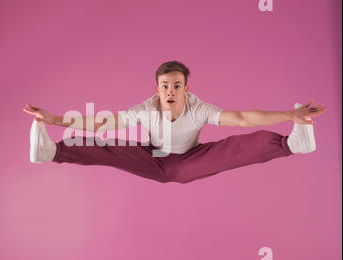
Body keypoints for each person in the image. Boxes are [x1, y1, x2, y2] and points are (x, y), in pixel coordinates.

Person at [22, 61, 327, 183]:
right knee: (108, 146)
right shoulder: (146, 107)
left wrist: (290, 115)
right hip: (152, 157)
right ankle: (52, 152)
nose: (170, 91)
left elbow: (241, 118)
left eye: (177, 86)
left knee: (236, 147)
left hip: (191, 159)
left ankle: (292, 143)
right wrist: (54, 119)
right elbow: (104, 123)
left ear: (186, 89)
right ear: (156, 89)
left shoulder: (198, 108)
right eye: (165, 86)